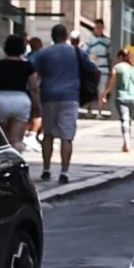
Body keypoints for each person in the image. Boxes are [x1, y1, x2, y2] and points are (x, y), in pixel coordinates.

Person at [29, 23, 91, 182]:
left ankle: (46, 169)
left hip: (48, 96)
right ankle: (64, 172)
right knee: (66, 136)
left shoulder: (43, 53)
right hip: (70, 96)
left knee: (48, 134)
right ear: (66, 36)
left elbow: (33, 72)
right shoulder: (77, 52)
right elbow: (94, 70)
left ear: (52, 36)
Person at [0, 33, 39, 152]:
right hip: (21, 100)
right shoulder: (28, 66)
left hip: (2, 99)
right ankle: (16, 164)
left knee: (1, 140)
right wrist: (36, 105)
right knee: (16, 140)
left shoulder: (0, 65)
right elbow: (34, 87)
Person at [98, 48, 134, 154]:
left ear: (121, 57)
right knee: (128, 120)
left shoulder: (117, 67)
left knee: (124, 120)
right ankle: (126, 142)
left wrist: (104, 94)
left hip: (122, 98)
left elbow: (111, 83)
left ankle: (127, 142)